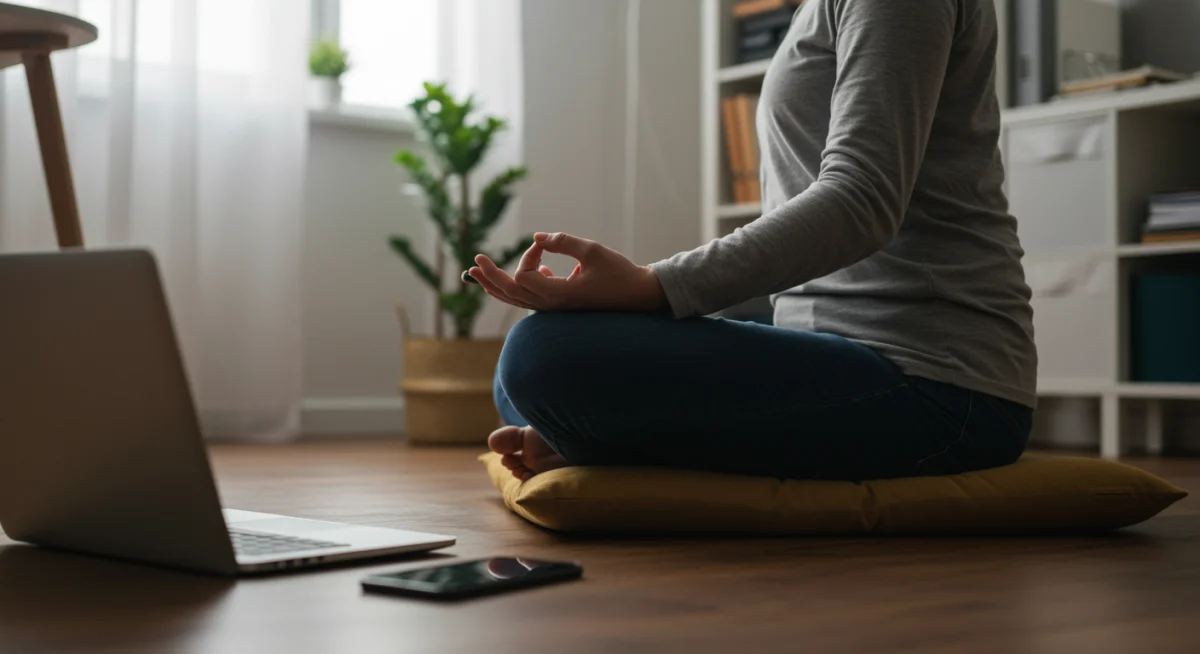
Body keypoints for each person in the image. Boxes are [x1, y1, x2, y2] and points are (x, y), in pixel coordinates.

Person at [468, 0, 1036, 483]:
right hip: (831, 345)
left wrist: (654, 286)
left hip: (939, 385)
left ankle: (601, 443)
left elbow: (862, 201)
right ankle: (596, 439)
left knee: (543, 358)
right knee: (526, 367)